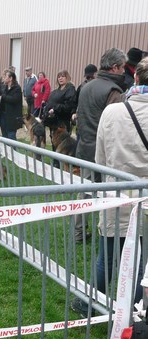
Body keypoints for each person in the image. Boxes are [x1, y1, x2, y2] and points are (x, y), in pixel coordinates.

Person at [71, 56, 146, 318]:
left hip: (117, 197)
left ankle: (91, 304)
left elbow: (100, 160)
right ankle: (135, 314)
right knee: (142, 264)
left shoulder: (112, 112)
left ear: (135, 77)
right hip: (144, 201)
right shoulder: (113, 106)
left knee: (107, 258)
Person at [74, 48, 127, 244]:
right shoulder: (113, 91)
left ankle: (78, 232)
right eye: (122, 67)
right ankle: (107, 233)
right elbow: (116, 126)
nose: (124, 71)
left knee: (85, 193)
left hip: (85, 147)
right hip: (104, 153)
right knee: (108, 193)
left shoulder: (86, 86)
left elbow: (80, 118)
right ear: (114, 67)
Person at [43, 70, 77, 143]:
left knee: (62, 144)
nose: (60, 78)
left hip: (63, 123)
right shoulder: (55, 91)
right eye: (59, 77)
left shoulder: (70, 89)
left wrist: (55, 108)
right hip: (53, 121)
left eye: (62, 76)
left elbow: (69, 106)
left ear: (67, 77)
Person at [0, 69, 23, 140]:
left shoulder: (17, 88)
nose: (4, 78)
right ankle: (5, 148)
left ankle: (12, 148)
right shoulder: (4, 87)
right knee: (4, 136)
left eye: (5, 77)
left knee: (11, 136)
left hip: (12, 117)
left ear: (10, 78)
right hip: (3, 115)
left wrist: (4, 96)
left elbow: (14, 99)